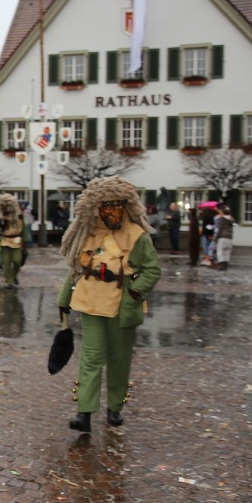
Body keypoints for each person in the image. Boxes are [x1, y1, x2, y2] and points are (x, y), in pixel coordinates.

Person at [57, 177, 161, 432]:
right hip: (91, 302)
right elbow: (75, 269)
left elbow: (152, 270)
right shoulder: (88, 234)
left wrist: (135, 293)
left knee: (119, 358)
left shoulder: (138, 236)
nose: (111, 212)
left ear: (126, 206)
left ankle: (115, 406)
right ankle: (84, 412)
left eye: (116, 206)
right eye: (105, 206)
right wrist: (64, 299)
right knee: (91, 358)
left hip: (121, 306)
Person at [0, 194, 28, 287]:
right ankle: (9, 281)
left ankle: (14, 276)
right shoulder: (1, 218)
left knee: (17, 261)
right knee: (6, 262)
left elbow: (24, 228)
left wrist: (25, 241)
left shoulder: (19, 216)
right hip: (5, 241)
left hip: (17, 241)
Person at [213, 204, 235, 271]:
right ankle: (225, 265)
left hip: (222, 237)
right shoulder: (231, 219)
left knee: (220, 252)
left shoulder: (221, 219)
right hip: (229, 238)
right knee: (227, 252)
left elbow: (220, 229)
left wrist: (216, 238)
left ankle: (221, 265)